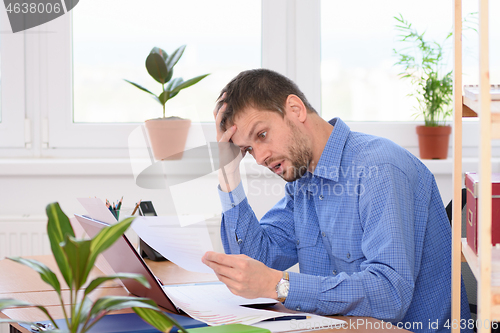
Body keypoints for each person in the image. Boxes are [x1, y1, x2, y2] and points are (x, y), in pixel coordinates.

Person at [201, 68, 471, 332]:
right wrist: (229, 175)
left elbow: (390, 295)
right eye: (248, 149)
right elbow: (254, 263)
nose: (259, 158)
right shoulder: (304, 181)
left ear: (295, 110)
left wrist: (279, 285)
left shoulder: (379, 169)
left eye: (262, 135)